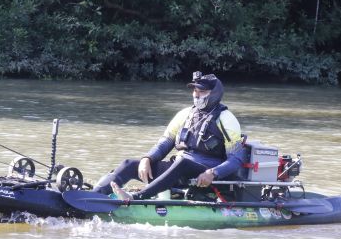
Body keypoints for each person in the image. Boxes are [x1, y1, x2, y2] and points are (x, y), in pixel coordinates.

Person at [93, 72, 245, 200]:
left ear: (214, 94)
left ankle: (135, 198)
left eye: (202, 92)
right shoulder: (185, 114)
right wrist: (148, 158)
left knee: (182, 163)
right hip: (178, 169)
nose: (196, 96)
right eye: (195, 92)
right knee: (130, 164)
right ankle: (93, 196)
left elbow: (236, 159)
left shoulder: (226, 119)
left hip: (205, 175)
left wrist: (213, 173)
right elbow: (166, 142)